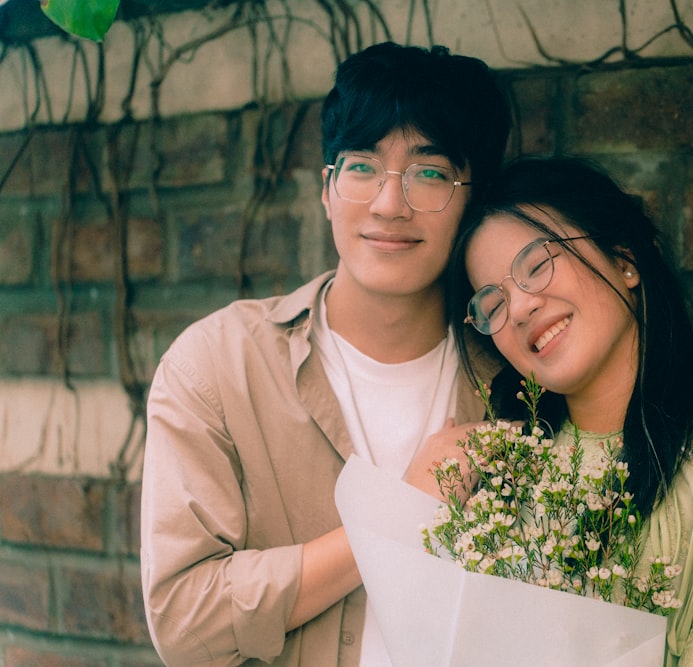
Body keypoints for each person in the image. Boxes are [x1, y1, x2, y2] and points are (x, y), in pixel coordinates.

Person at [140, 41, 510, 666]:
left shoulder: (517, 377)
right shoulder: (217, 367)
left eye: (429, 173)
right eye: (363, 166)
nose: (390, 204)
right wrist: (403, 516)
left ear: (473, 197)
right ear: (328, 190)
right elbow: (183, 620)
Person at [447, 156, 693, 666]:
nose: (517, 310)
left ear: (625, 261)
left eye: (536, 265)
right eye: (491, 305)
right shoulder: (502, 474)